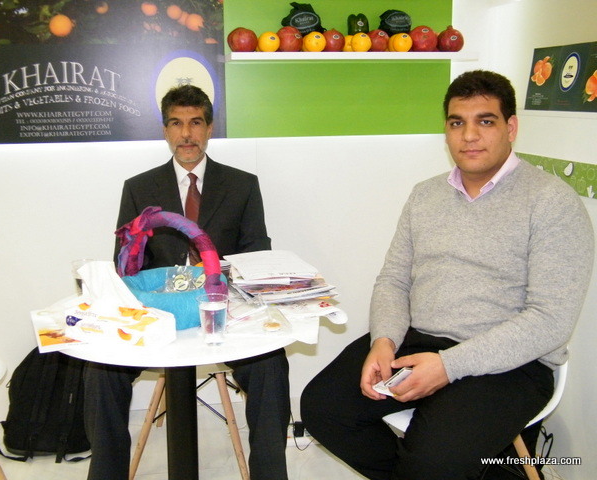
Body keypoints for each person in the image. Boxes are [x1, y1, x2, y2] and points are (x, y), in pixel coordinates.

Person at [300, 70, 594, 480]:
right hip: (418, 341)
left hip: (510, 364)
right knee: (322, 408)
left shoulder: (552, 202)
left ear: (511, 127)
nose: (469, 135)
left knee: (433, 462)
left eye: (485, 121)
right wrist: (384, 340)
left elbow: (550, 321)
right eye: (457, 123)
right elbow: (394, 280)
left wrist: (447, 366)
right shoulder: (426, 194)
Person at [83, 84, 290, 480]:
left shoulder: (242, 184)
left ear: (209, 128)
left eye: (195, 123)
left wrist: (216, 269)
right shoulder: (139, 187)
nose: (186, 134)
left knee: (270, 364)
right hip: (158, 312)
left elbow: (258, 256)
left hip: (222, 311)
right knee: (100, 369)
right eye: (176, 124)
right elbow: (125, 264)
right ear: (165, 130)